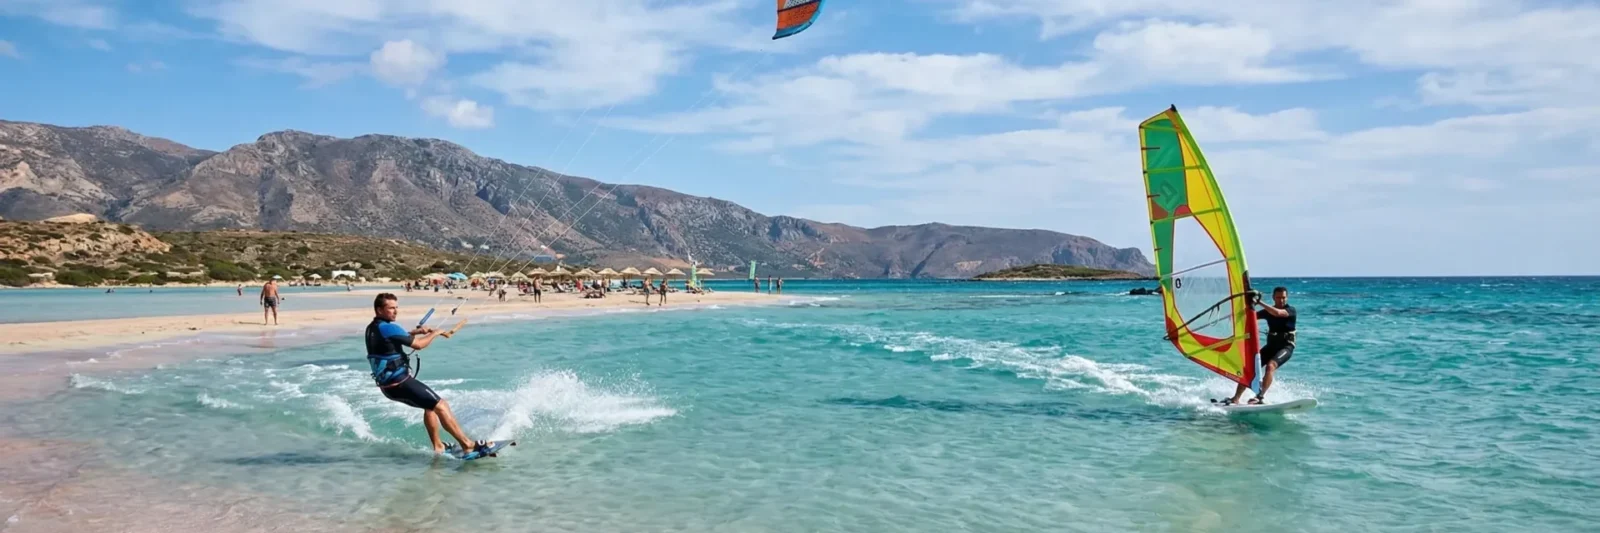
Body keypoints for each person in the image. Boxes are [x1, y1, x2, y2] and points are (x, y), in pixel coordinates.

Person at [365, 293, 496, 456]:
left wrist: (416, 331)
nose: (395, 311)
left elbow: (395, 339)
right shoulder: (388, 327)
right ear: (379, 310)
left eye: (396, 308)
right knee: (441, 405)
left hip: (388, 388)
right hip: (400, 383)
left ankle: (438, 446)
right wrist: (435, 333)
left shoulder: (373, 328)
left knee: (430, 407)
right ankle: (467, 444)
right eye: (391, 308)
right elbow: (419, 345)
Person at [1224, 286, 1297, 405]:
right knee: (1250, 368)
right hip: (1271, 346)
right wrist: (1236, 313)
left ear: (1287, 298)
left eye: (1283, 298)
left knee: (1270, 366)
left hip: (1286, 347)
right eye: (1278, 297)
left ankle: (1260, 396)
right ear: (1273, 297)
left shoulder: (1291, 310)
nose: (1281, 300)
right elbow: (1249, 317)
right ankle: (1236, 398)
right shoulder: (1268, 312)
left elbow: (1278, 313)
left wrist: (1259, 302)